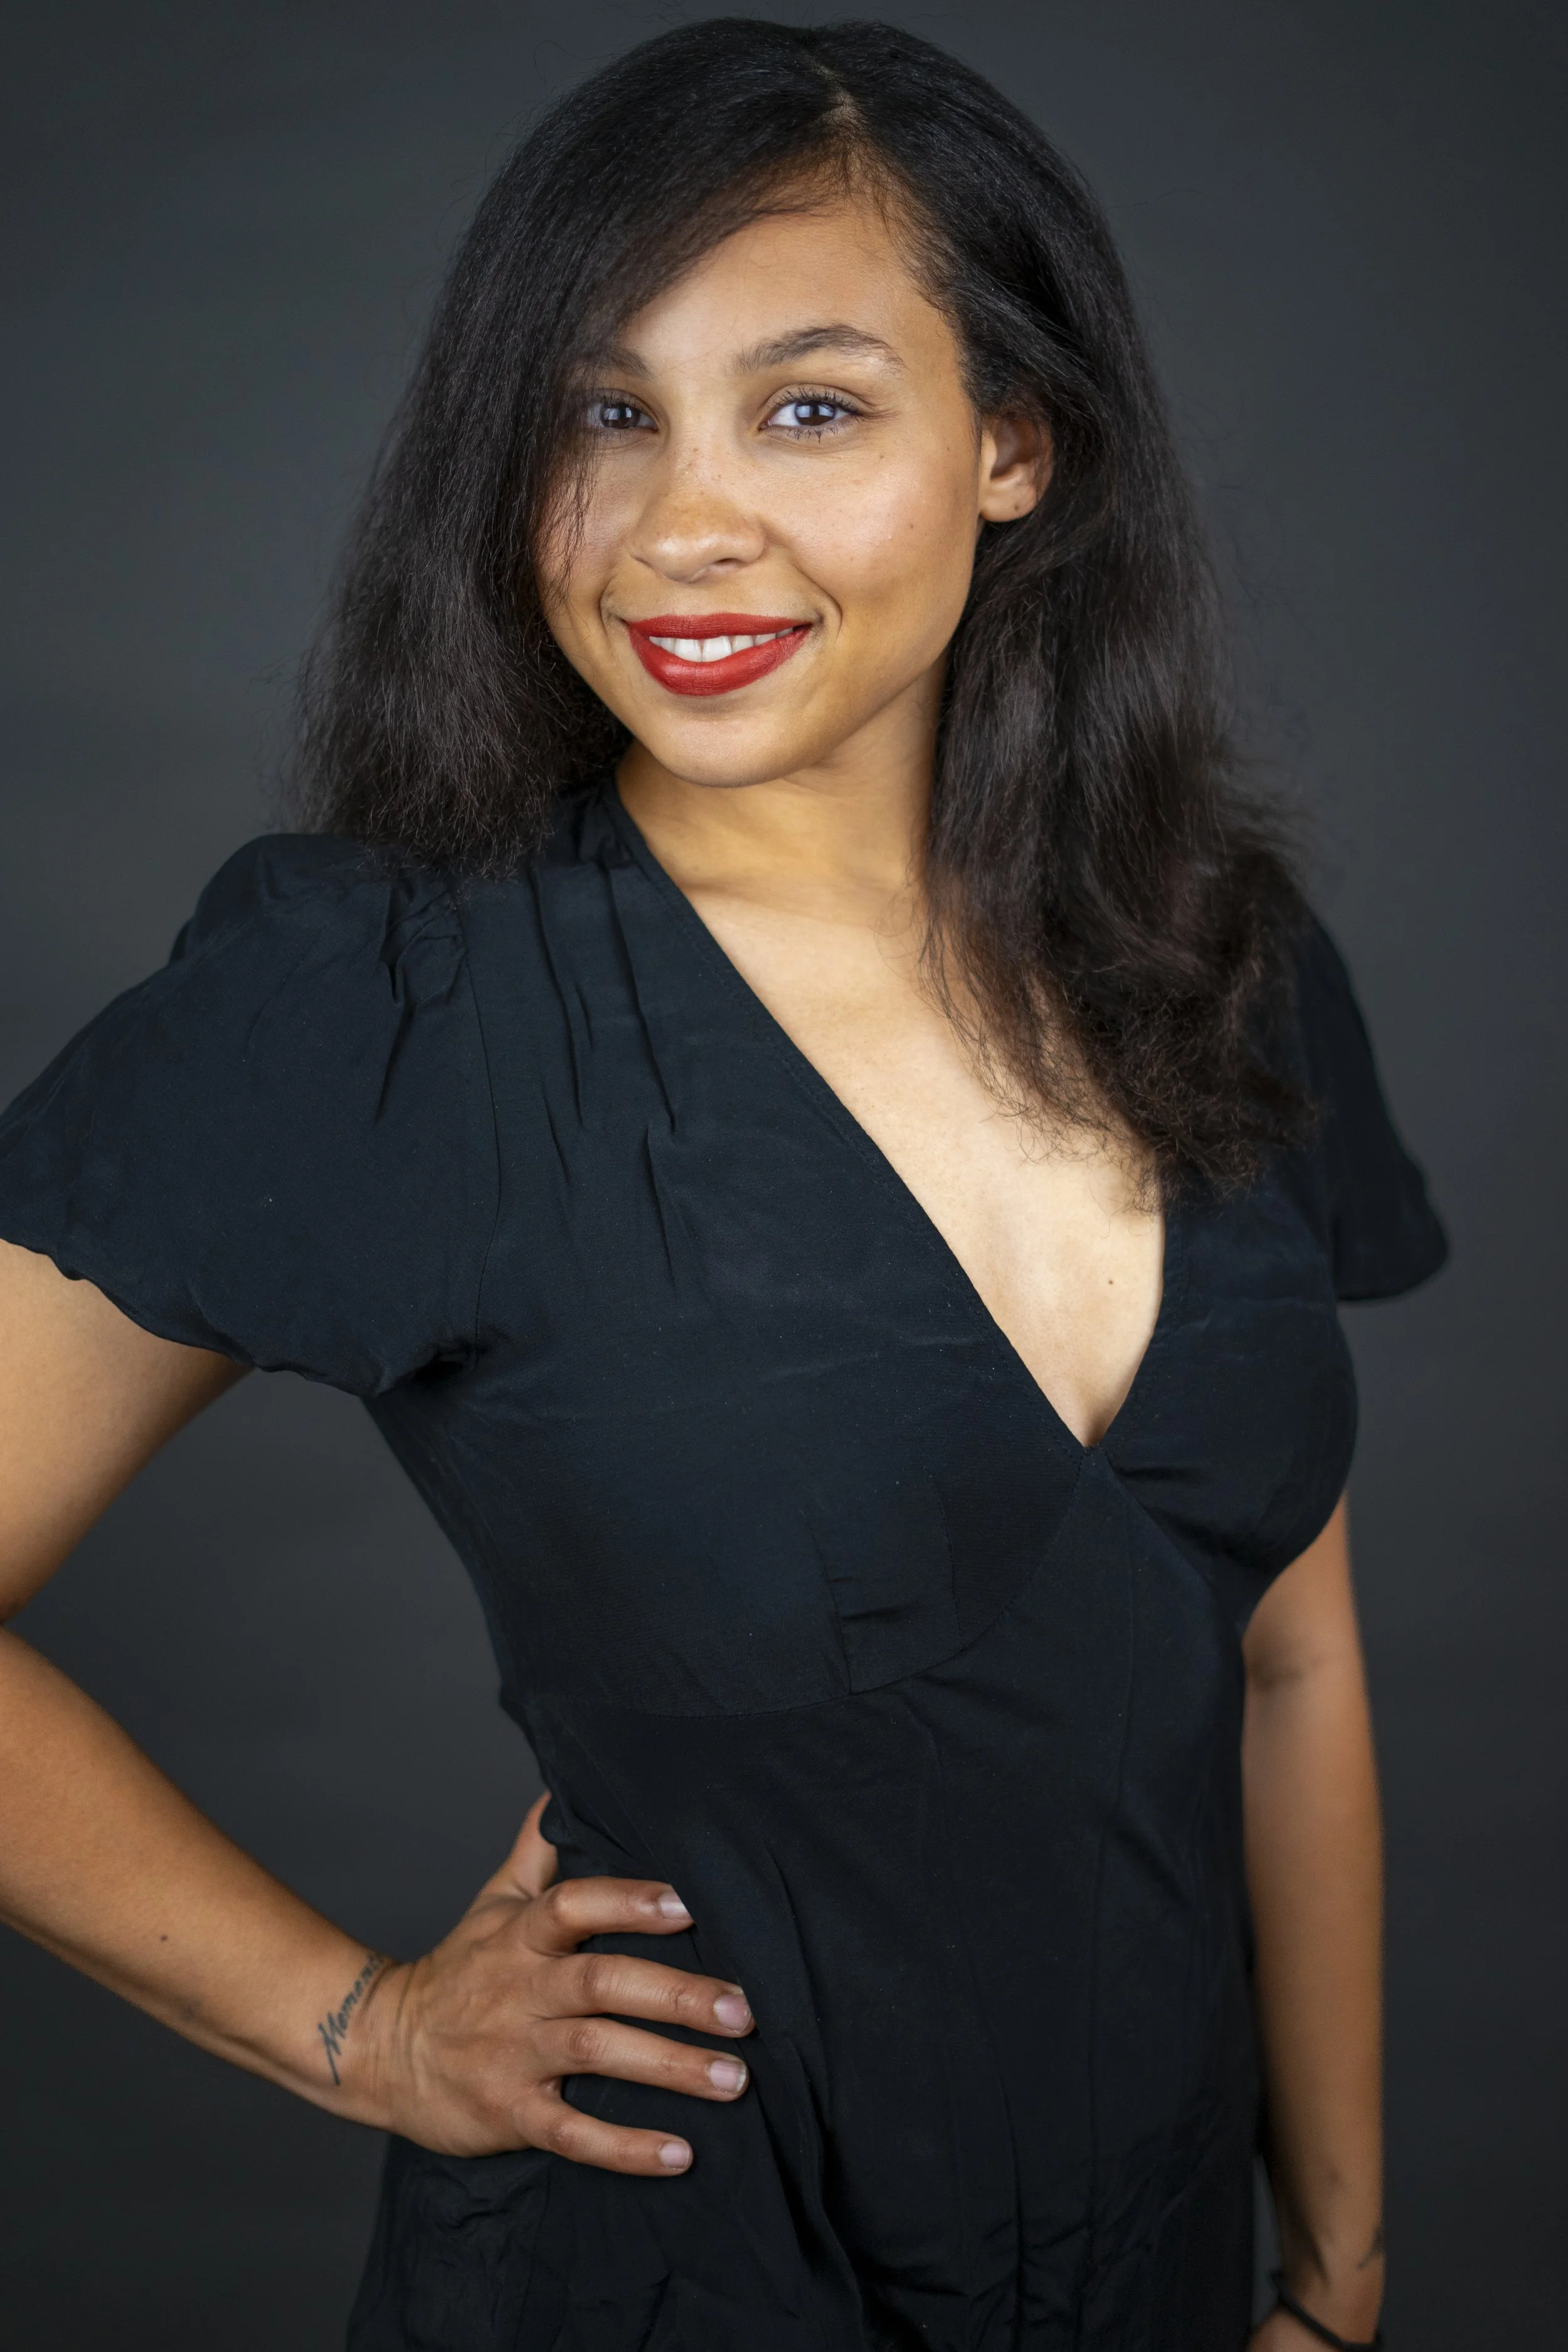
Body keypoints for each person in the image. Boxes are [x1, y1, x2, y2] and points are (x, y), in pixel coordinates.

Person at [0, 19, 1446, 2351]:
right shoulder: (393, 993)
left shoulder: (1220, 955)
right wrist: (357, 2022)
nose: (686, 517)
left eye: (807, 406)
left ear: (1012, 443)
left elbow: (1288, 1654)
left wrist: (1340, 2277)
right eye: (602, 412)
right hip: (661, 2285)